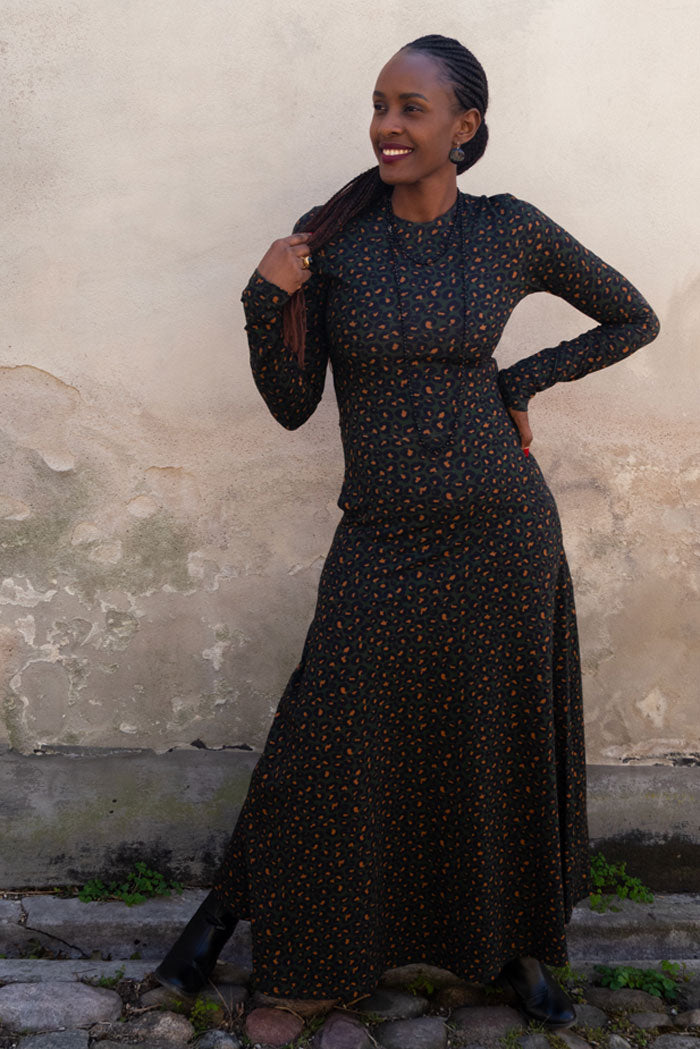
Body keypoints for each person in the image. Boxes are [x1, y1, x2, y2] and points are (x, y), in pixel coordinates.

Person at [155, 34, 660, 1029]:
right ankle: (266, 943)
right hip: (382, 535)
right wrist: (265, 297)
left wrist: (520, 381)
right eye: (380, 105)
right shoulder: (336, 244)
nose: (387, 125)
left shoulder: (509, 230)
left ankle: (512, 949)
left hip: (500, 530)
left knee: (495, 737)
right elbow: (293, 404)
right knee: (322, 738)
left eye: (410, 108)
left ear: (463, 126)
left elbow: (631, 317)